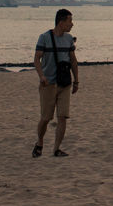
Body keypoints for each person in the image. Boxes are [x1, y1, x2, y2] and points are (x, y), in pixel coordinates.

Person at [33, 8, 79, 158]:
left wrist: (76, 80)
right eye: (69, 21)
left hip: (64, 83)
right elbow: (36, 59)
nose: (72, 24)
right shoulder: (44, 37)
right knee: (46, 118)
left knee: (62, 117)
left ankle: (56, 149)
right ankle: (39, 142)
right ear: (61, 22)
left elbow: (73, 60)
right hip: (48, 84)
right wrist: (41, 76)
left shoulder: (69, 39)